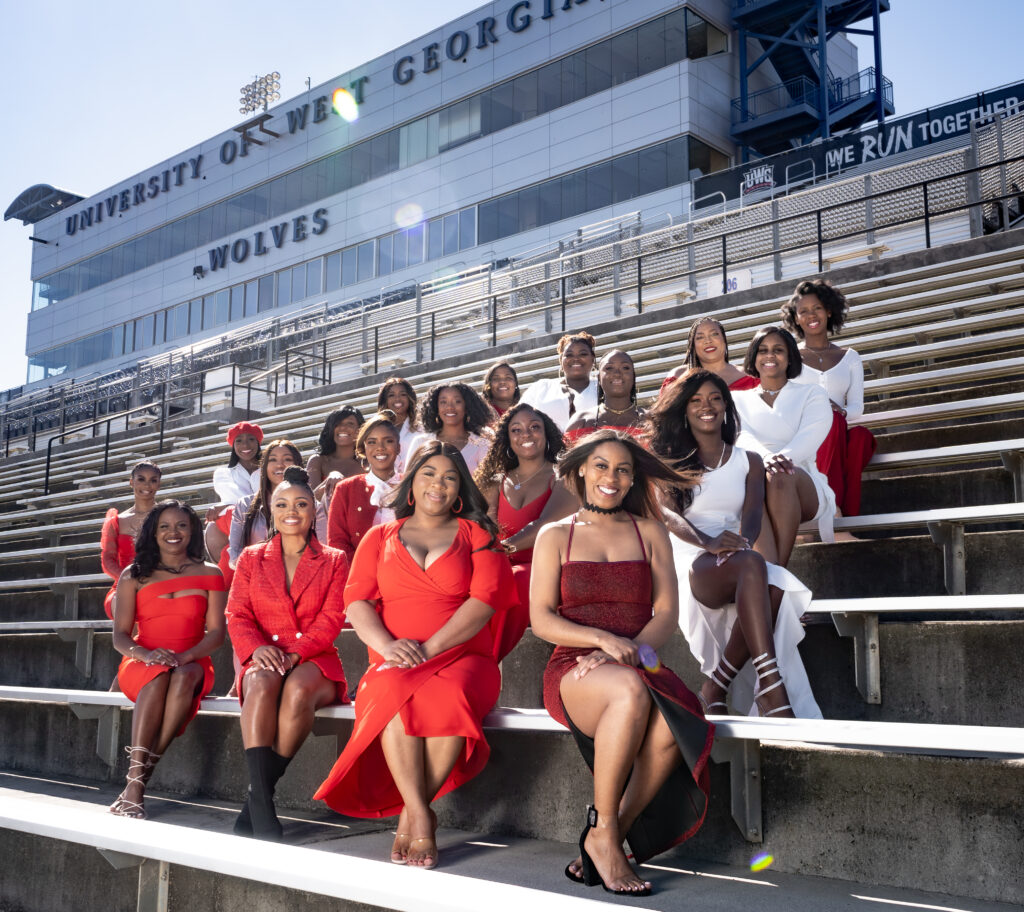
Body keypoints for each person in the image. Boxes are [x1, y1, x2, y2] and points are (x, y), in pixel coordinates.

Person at [314, 441, 518, 869]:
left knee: (453, 694)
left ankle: (412, 811)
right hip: (395, 657)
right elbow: (356, 602)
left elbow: (483, 603)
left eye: (449, 476)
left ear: (461, 485)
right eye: (428, 474)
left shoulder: (478, 534)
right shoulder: (379, 536)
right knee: (388, 689)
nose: (438, 484)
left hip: (461, 655)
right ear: (411, 482)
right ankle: (423, 812)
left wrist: (429, 649)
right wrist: (388, 646)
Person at [530, 430, 713, 896]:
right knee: (629, 691)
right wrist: (599, 641)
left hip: (640, 656)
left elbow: (667, 613)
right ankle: (607, 836)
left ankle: (604, 833)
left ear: (633, 479)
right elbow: (541, 619)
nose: (612, 477)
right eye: (601, 466)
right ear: (581, 472)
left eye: (623, 469)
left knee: (675, 724)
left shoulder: (650, 531)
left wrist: (626, 649)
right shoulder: (555, 535)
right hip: (576, 668)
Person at [648, 369, 820, 718]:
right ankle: (772, 688)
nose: (706, 406)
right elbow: (668, 516)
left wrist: (741, 543)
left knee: (772, 582)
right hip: (691, 556)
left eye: (714, 398)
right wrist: (708, 542)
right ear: (683, 410)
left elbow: (753, 512)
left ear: (726, 405)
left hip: (735, 553)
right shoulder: (668, 461)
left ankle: (718, 685)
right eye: (695, 400)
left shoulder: (749, 460)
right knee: (757, 568)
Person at [227, 466, 349, 840]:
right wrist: (258, 649)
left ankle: (257, 799)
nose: (291, 510)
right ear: (270, 509)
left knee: (297, 690)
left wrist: (294, 654)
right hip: (263, 655)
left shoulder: (334, 559)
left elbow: (331, 619)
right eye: (281, 504)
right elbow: (237, 613)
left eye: (301, 503)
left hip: (314, 659)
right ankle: (261, 801)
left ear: (314, 511)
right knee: (261, 683)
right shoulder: (250, 557)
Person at [109, 500, 226, 819]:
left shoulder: (211, 573)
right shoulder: (133, 575)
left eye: (181, 525)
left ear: (193, 530)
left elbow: (216, 634)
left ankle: (135, 782)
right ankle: (137, 782)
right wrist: (146, 654)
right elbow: (120, 636)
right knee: (159, 675)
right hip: (142, 660)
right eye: (165, 526)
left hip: (193, 661)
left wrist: (185, 656)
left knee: (184, 676)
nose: (173, 532)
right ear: (153, 532)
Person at [475, 404, 577, 654]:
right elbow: (483, 529)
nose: (526, 435)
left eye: (534, 427)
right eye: (516, 430)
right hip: (501, 565)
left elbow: (545, 525)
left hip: (549, 569)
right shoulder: (495, 481)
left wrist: (500, 549)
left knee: (516, 578)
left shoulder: (564, 476)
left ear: (547, 434)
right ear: (507, 439)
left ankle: (491, 656)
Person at [733, 327, 836, 567]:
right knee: (756, 481)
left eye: (778, 350)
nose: (770, 356)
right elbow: (738, 435)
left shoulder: (812, 393)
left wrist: (778, 460)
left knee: (780, 474)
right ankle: (776, 584)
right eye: (763, 350)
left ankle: (776, 576)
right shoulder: (736, 399)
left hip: (801, 481)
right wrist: (766, 457)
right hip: (753, 479)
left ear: (790, 356)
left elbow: (812, 434)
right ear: (753, 357)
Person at [782, 280, 876, 517]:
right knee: (830, 419)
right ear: (796, 318)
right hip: (803, 436)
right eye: (803, 311)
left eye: (817, 308)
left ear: (829, 311)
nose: (811, 315)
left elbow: (856, 408)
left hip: (838, 430)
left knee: (861, 437)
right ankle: (831, 510)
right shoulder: (789, 357)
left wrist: (839, 411)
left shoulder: (850, 357)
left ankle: (837, 513)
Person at [229, 440, 327, 569]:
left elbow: (322, 549)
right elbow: (235, 555)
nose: (280, 465)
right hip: (256, 578)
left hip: (302, 575)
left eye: (287, 459)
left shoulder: (313, 506)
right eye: (273, 460)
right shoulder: (245, 505)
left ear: (297, 465)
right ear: (264, 466)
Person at [327, 411, 403, 563]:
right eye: (372, 442)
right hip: (361, 576)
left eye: (388, 441)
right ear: (363, 448)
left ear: (398, 447)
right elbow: (337, 542)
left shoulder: (413, 485)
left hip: (407, 575)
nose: (380, 448)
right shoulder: (346, 489)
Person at [101, 461, 162, 619]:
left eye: (153, 480)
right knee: (124, 602)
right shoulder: (117, 521)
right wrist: (131, 580)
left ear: (159, 484)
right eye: (141, 479)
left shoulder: (167, 517)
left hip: (160, 581)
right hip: (124, 585)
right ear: (131, 482)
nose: (147, 485)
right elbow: (108, 560)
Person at [206, 422, 263, 585]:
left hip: (259, 519)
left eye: (251, 439)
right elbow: (239, 501)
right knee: (235, 512)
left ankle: (224, 590)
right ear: (233, 445)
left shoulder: (268, 469)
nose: (245, 445)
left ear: (258, 442)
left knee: (228, 553)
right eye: (239, 441)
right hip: (231, 517)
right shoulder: (223, 472)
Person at [406, 383, 494, 475]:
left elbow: (489, 484)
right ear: (436, 407)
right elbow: (408, 479)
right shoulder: (421, 442)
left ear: (467, 406)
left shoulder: (482, 444)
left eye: (457, 401)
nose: (450, 407)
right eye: (443, 402)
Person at [520, 332, 598, 431]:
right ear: (561, 360)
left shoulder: (603, 387)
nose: (576, 359)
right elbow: (518, 418)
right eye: (569, 355)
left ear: (593, 359)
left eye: (583, 354)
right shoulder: (541, 387)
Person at [661, 318, 759, 396]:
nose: (708, 341)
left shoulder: (750, 377)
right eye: (700, 337)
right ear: (693, 345)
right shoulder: (678, 376)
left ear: (724, 339)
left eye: (714, 334)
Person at [564, 349, 645, 443]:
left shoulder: (652, 420)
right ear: (599, 378)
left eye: (625, 368)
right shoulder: (581, 422)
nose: (617, 374)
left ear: (633, 376)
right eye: (609, 368)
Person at [306, 406, 366, 499]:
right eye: (337, 424)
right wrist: (331, 479)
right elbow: (309, 500)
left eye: (350, 424)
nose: (342, 427)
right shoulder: (317, 461)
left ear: (360, 430)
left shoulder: (367, 462)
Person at [376, 377, 419, 471]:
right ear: (385, 400)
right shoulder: (377, 429)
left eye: (403, 394)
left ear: (409, 398)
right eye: (391, 395)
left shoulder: (421, 428)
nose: (397, 399)